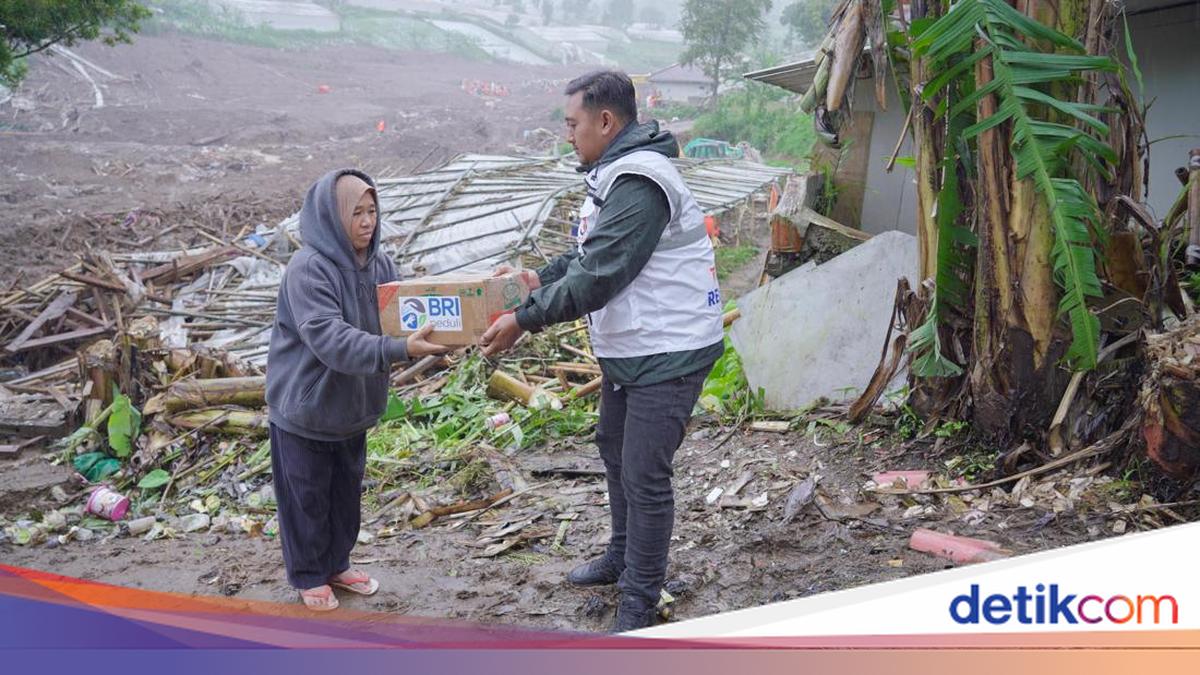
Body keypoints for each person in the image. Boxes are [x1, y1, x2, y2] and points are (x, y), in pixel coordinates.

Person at [480, 71, 724, 631]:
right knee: (613, 448)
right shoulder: (614, 174)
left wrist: (523, 318)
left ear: (606, 121)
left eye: (573, 124)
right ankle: (622, 556)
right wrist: (535, 278)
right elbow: (586, 256)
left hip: (671, 349)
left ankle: (639, 600)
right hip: (636, 349)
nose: (568, 135)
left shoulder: (640, 181)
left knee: (644, 474)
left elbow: (599, 276)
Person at [265, 169, 448, 612]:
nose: (367, 222)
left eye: (372, 211)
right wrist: (402, 348)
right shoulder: (308, 270)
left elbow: (405, 316)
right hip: (306, 407)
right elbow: (330, 338)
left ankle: (337, 563)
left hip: (352, 405)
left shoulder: (380, 265)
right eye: (356, 213)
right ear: (330, 217)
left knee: (345, 494)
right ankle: (309, 573)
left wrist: (446, 338)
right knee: (306, 497)